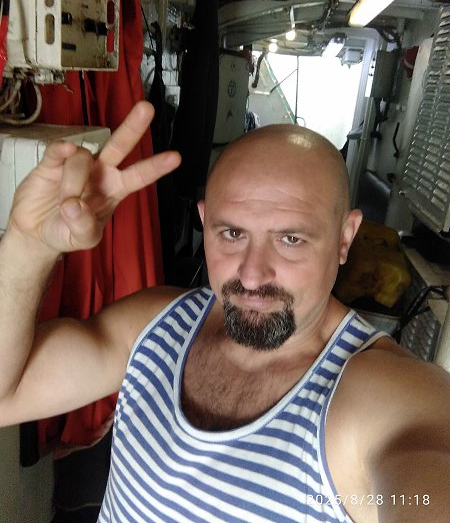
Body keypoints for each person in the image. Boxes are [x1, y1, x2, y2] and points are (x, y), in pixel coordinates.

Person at [0, 101, 449, 523]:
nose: (251, 275)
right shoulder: (154, 326)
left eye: (290, 239)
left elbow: (426, 479)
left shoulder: (380, 395)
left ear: (345, 238)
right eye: (232, 234)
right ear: (204, 220)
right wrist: (28, 243)